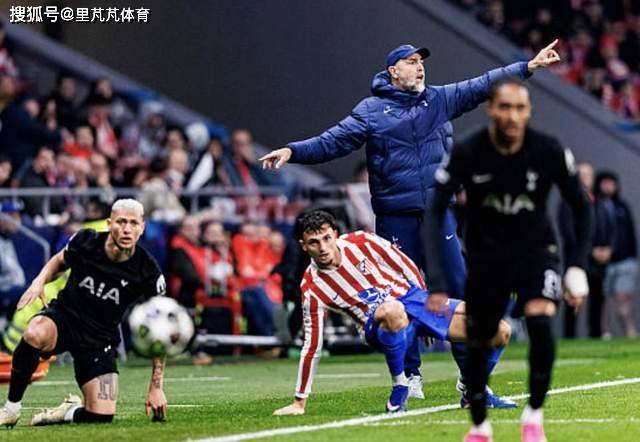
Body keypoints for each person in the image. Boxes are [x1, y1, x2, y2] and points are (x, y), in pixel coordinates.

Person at [260, 40, 561, 388]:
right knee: (397, 294)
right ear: (393, 71)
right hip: (395, 216)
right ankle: (410, 375)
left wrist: (527, 67)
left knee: (459, 286)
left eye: (421, 61)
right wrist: (293, 151)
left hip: (437, 214)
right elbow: (333, 141)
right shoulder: (371, 111)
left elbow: (482, 85)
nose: (420, 67)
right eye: (412, 61)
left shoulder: (439, 99)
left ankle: (469, 374)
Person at [422, 78, 592, 442]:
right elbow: (435, 209)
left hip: (536, 252)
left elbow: (581, 206)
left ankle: (534, 416)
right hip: (487, 257)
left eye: (519, 108)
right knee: (481, 339)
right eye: (505, 107)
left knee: (540, 321)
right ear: (491, 110)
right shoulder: (469, 150)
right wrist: (436, 281)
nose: (512, 116)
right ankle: (479, 425)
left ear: (528, 112)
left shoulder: (548, 149)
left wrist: (577, 265)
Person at [272, 210, 513, 416]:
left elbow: (404, 264)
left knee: (500, 329)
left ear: (335, 234)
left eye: (326, 238)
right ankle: (400, 387)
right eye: (314, 242)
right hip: (377, 325)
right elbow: (312, 346)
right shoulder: (312, 288)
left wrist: (426, 310)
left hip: (414, 301)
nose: (323, 248)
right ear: (303, 245)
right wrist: (299, 401)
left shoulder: (362, 240)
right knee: (393, 309)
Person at [0, 199, 169, 428]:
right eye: (121, 222)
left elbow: (161, 328)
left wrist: (156, 387)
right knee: (34, 332)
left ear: (142, 228)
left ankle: (67, 412)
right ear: (109, 223)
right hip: (65, 319)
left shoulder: (147, 271)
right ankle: (11, 408)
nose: (126, 229)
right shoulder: (87, 241)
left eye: (133, 223)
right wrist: (39, 282)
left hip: (100, 339)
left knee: (101, 416)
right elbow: (59, 261)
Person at [596, 171, 638, 338]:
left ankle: (630, 331)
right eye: (605, 183)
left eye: (611, 183)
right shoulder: (595, 205)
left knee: (623, 299)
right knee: (603, 300)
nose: (608, 186)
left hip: (625, 260)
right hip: (602, 263)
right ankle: (604, 333)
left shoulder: (622, 207)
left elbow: (629, 234)